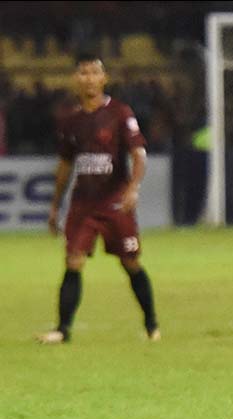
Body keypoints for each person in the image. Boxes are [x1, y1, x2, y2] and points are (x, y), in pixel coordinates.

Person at [37, 54, 160, 344]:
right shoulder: (70, 119)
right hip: (83, 205)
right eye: (83, 73)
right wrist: (55, 205)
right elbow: (65, 164)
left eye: (94, 72)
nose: (89, 78)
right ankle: (63, 329)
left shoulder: (120, 113)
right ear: (75, 79)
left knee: (130, 262)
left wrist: (132, 187)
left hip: (115, 201)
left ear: (104, 79)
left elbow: (138, 153)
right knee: (73, 260)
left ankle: (152, 324)